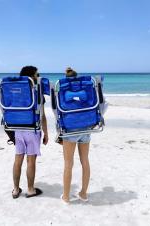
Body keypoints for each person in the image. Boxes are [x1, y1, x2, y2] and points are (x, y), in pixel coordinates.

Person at [12, 66, 49, 199]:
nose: (38, 76)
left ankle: (16, 190)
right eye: (37, 74)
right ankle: (30, 189)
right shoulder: (37, 91)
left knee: (18, 160)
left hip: (17, 129)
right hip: (32, 129)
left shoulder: (15, 91)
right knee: (31, 161)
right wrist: (46, 133)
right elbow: (43, 115)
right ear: (32, 76)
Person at [60, 67, 91, 204]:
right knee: (85, 161)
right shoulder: (87, 88)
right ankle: (83, 193)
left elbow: (57, 111)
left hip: (70, 127)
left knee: (68, 163)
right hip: (86, 126)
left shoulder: (61, 88)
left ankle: (66, 197)